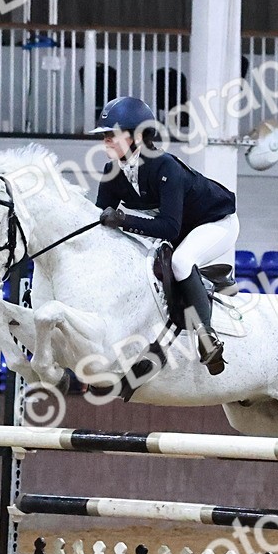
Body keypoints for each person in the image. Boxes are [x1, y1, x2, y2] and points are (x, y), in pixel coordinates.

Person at [90, 96, 238, 374]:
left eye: (111, 134)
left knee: (181, 262)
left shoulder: (164, 166)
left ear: (136, 136)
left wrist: (123, 219)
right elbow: (99, 218)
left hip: (216, 223)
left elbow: (169, 227)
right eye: (103, 135)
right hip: (179, 228)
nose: (105, 140)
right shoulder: (113, 171)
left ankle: (207, 337)